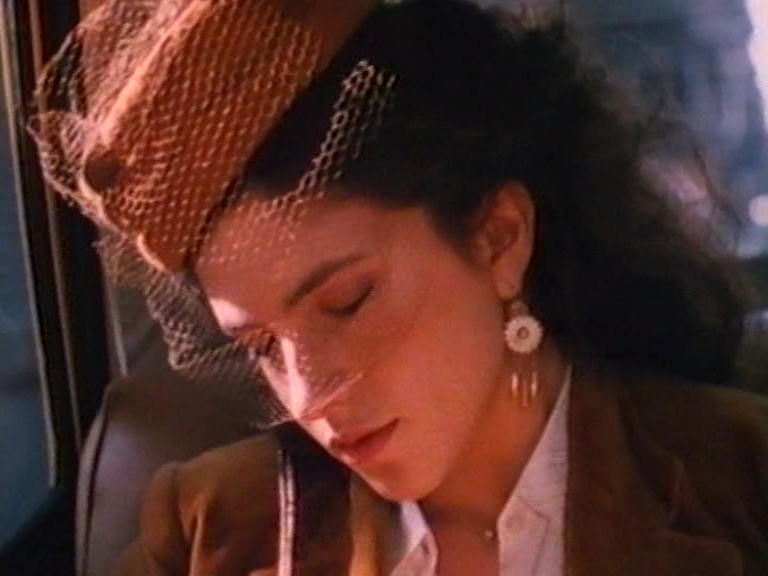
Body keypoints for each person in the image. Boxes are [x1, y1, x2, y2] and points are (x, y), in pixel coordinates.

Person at [30, 0, 768, 574]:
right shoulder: (210, 527)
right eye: (261, 346)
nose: (308, 395)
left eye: (347, 302)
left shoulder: (741, 483)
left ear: (499, 238)